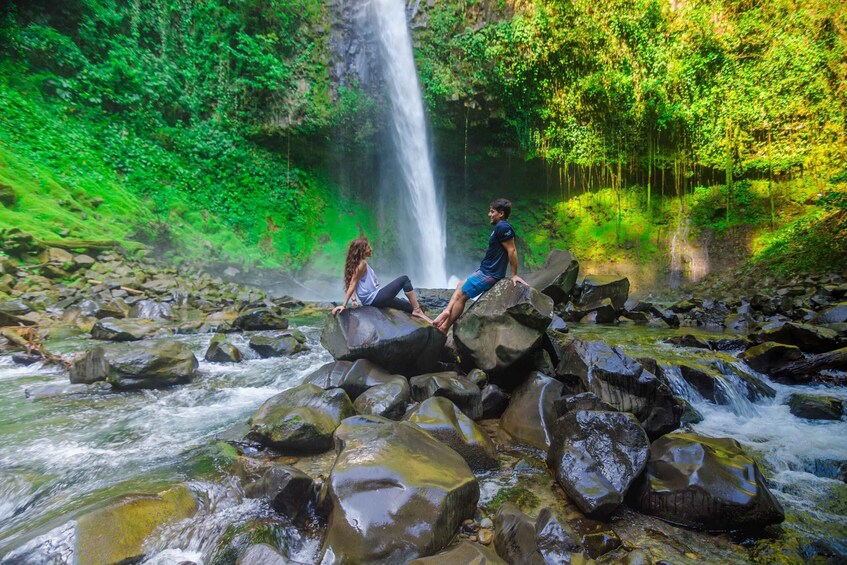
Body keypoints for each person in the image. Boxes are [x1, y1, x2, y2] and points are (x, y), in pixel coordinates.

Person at [433, 198, 527, 333]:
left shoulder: (503, 227)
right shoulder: (500, 227)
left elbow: (512, 250)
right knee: (460, 284)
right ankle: (447, 311)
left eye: (492, 211)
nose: (489, 214)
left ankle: (444, 327)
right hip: (485, 270)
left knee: (462, 296)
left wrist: (514, 275)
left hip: (490, 273)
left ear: (501, 214)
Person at [331, 237, 432, 322]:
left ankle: (426, 319)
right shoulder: (362, 264)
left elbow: (351, 282)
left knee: (408, 307)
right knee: (404, 279)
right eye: (368, 247)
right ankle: (417, 310)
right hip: (375, 298)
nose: (371, 249)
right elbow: (352, 284)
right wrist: (343, 306)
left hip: (375, 298)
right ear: (362, 251)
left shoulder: (357, 264)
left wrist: (354, 300)